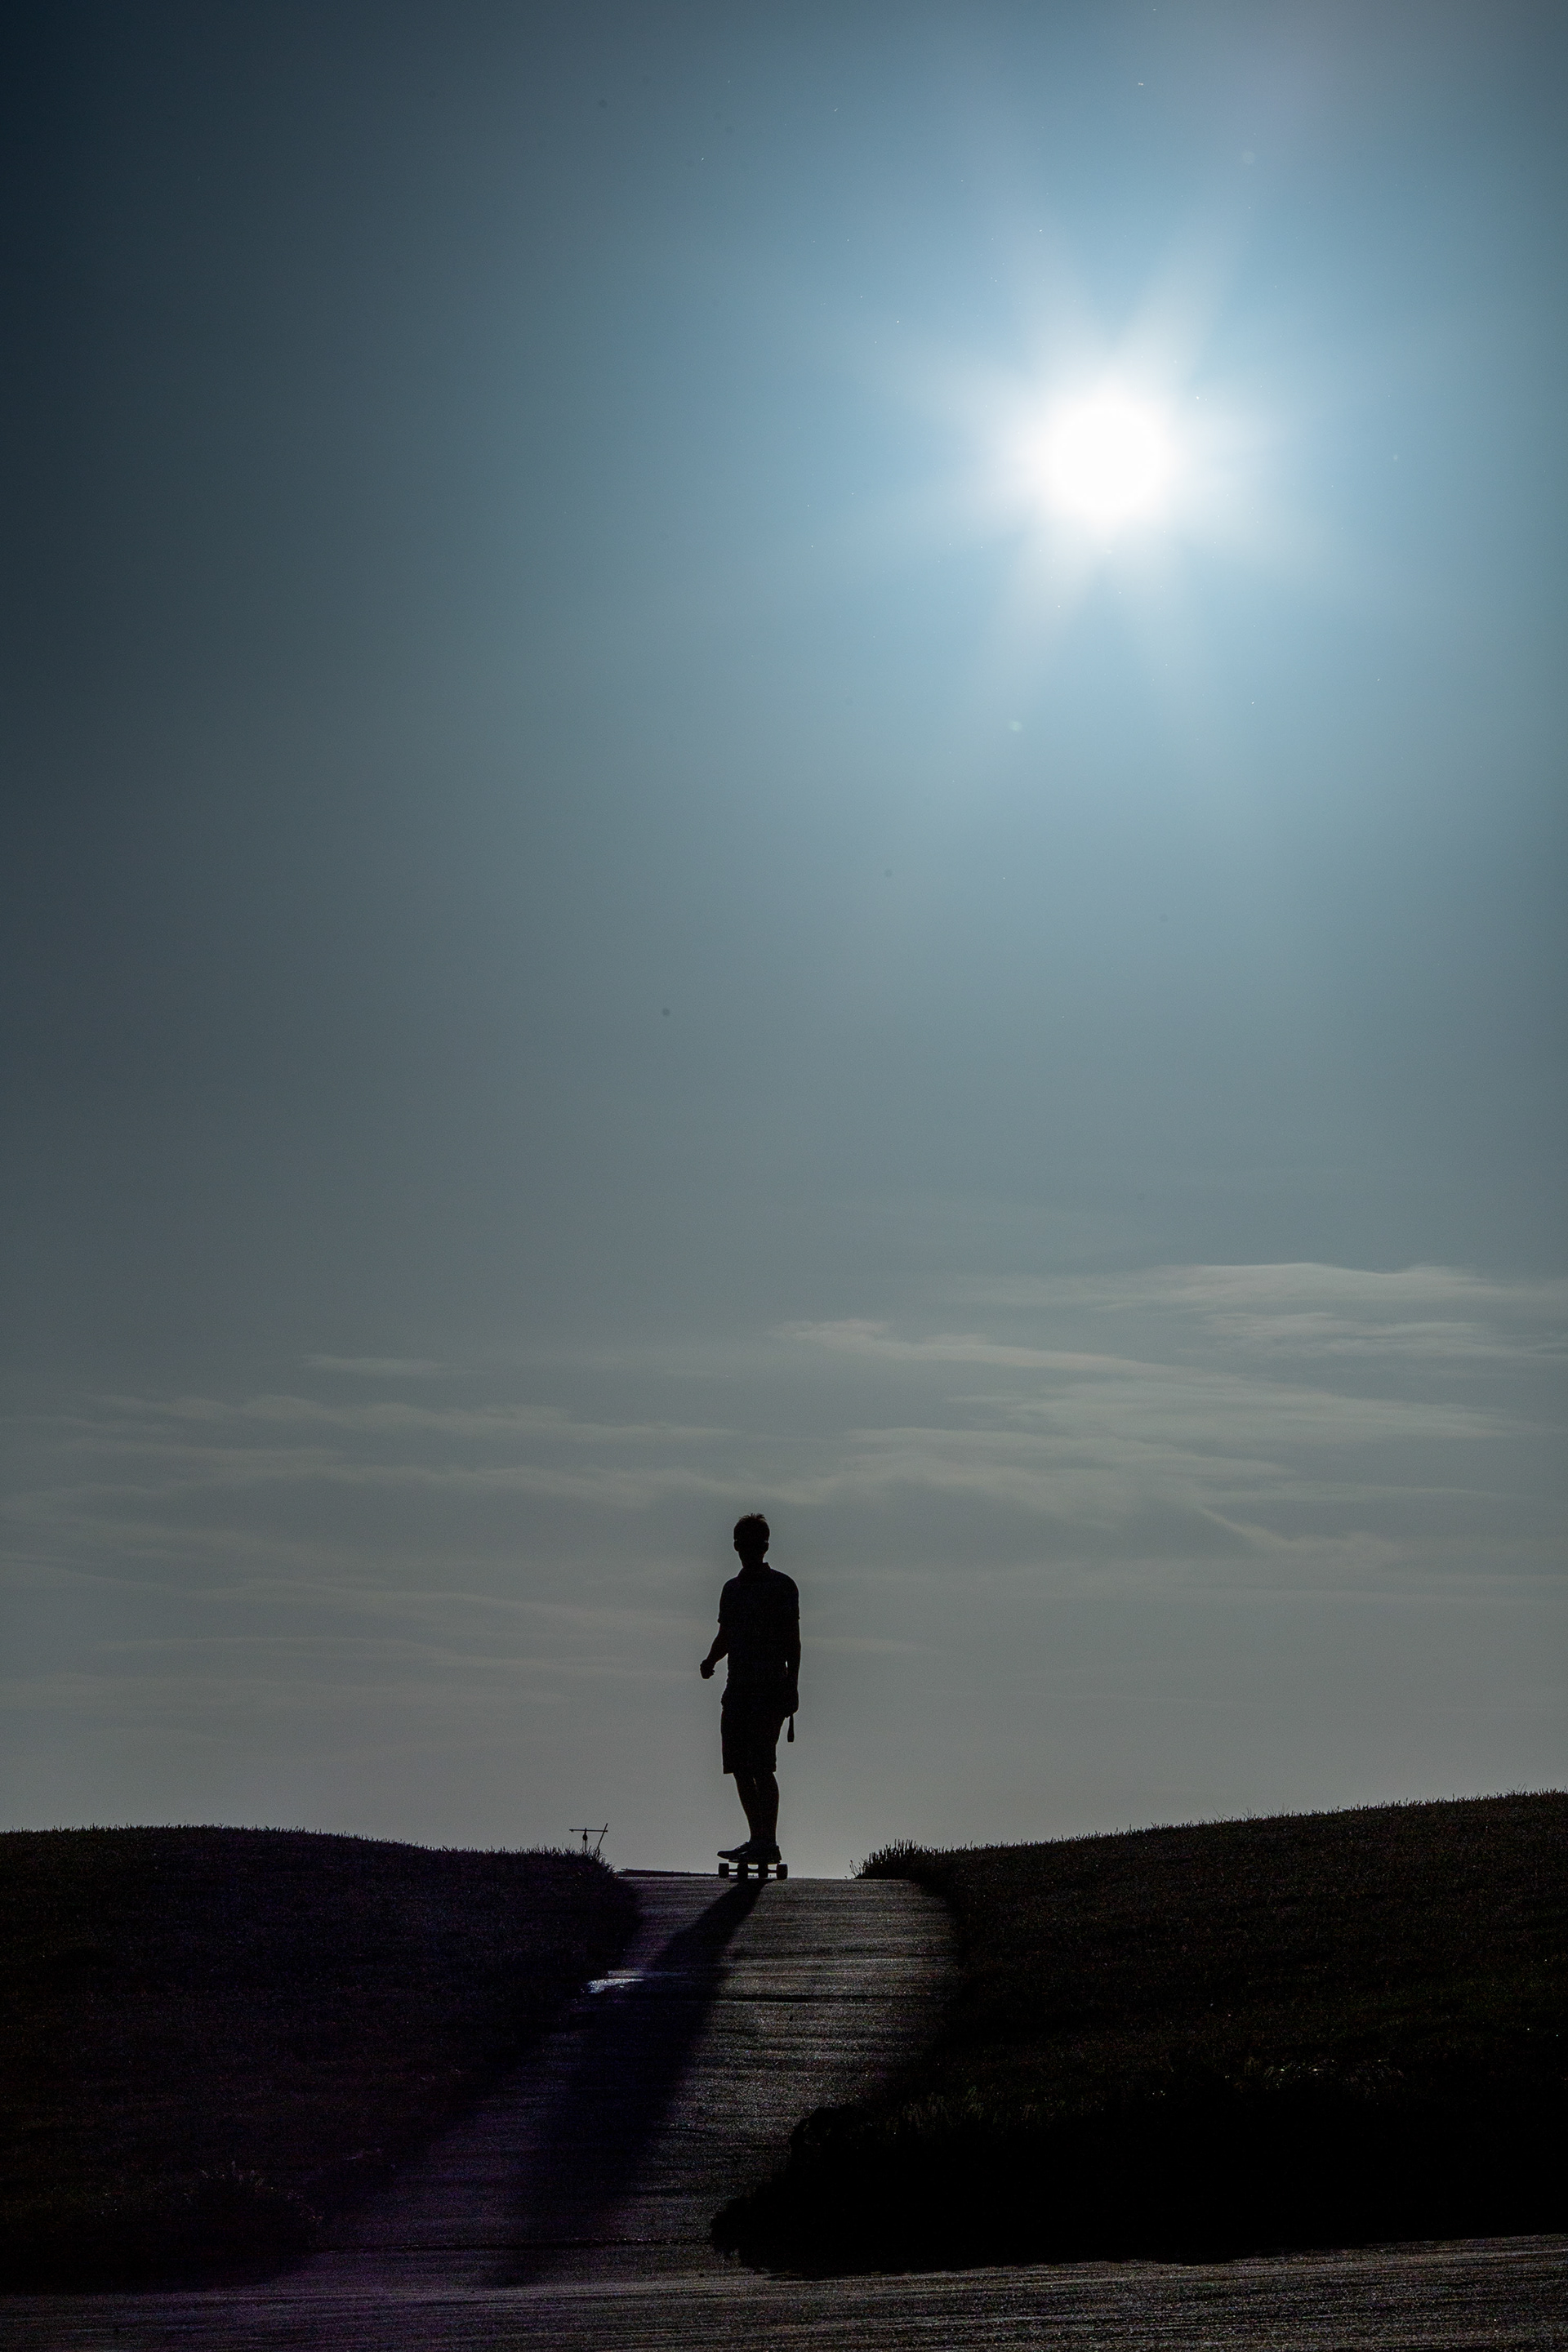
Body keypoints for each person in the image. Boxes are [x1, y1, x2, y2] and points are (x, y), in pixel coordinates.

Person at [699, 1512, 800, 1866]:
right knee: (740, 1767)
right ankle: (758, 1838)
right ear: (736, 1547)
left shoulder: (782, 1586)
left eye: (753, 1545)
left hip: (769, 1689)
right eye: (743, 1545)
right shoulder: (732, 1589)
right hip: (737, 1689)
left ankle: (767, 1842)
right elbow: (726, 1634)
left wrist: (793, 1686)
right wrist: (711, 1660)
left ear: (765, 1546)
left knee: (762, 1766)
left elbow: (793, 1642)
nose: (747, 1551)